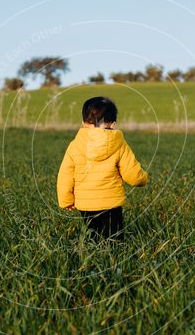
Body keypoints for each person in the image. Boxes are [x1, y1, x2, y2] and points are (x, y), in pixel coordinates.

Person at [56, 96, 149, 239]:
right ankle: (114, 257)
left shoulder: (74, 145)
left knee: (92, 235)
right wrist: (142, 179)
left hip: (85, 203)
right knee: (114, 238)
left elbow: (65, 174)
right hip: (111, 202)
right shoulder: (119, 144)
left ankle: (93, 257)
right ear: (112, 124)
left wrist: (66, 200)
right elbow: (133, 174)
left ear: (84, 123)